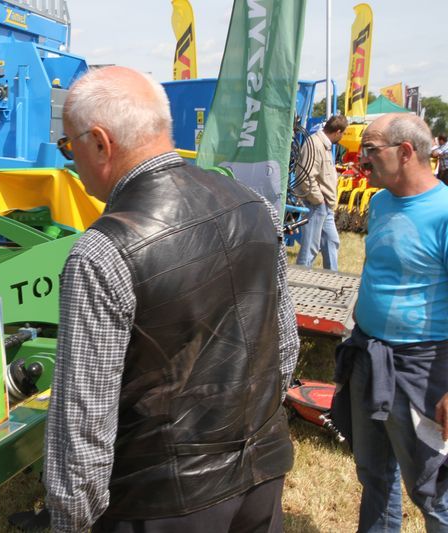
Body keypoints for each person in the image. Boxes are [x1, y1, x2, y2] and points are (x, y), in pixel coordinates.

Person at [44, 66, 300, 533]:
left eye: (68, 146)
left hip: (161, 500)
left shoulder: (103, 249)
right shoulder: (253, 205)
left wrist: (70, 522)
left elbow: (83, 426)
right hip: (260, 474)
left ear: (100, 142)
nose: (69, 161)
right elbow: (283, 348)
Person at [330, 113, 448, 532]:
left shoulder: (444, 212)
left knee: (433, 490)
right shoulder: (379, 203)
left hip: (422, 368)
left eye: (371, 150)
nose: (362, 162)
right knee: (374, 474)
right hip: (368, 354)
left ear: (405, 152)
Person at [294, 114, 348, 271]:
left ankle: (332, 279)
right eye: (343, 133)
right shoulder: (315, 144)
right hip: (316, 205)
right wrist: (318, 200)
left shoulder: (324, 145)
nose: (342, 137)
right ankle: (301, 280)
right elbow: (305, 176)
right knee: (310, 247)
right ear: (338, 131)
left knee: (332, 242)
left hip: (324, 205)